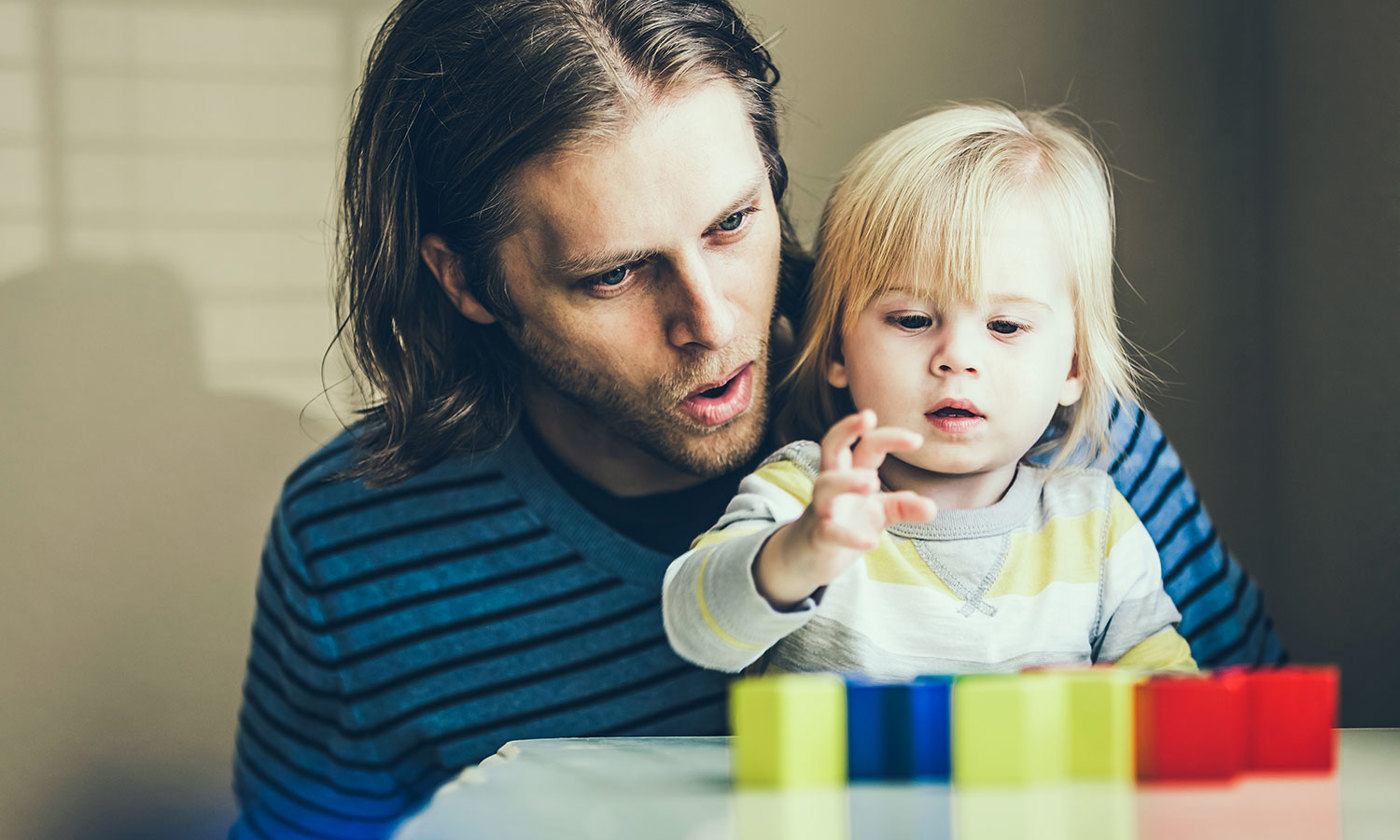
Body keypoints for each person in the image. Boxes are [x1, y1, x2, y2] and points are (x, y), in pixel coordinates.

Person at [229, 2, 1282, 838]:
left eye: (734, 223)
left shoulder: (1051, 435)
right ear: (467, 282)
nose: (713, 320)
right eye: (614, 274)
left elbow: (1281, 786)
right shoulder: (352, 541)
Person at [662, 104, 1197, 676]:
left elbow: (1178, 699)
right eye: (913, 320)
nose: (957, 358)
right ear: (839, 350)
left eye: (1005, 326)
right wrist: (800, 552)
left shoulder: (1096, 528)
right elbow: (698, 633)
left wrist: (1108, 696)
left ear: (1072, 366)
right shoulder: (809, 496)